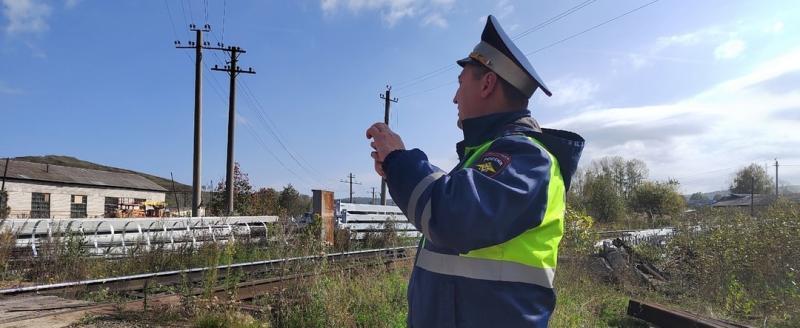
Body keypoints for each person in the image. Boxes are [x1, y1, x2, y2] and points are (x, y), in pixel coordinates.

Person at [366, 15, 585, 327]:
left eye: (460, 84)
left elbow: (451, 216)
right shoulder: (489, 157)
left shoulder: (529, 159)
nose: (455, 98)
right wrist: (395, 169)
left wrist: (399, 161)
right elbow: (452, 200)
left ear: (487, 83)